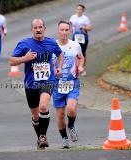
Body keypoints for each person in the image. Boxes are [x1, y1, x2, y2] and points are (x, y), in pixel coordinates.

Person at [9, 18, 63, 149]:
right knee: (35, 115)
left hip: (47, 81)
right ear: (32, 29)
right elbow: (11, 61)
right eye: (35, 28)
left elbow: (60, 54)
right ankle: (40, 138)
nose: (38, 30)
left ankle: (43, 136)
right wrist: (24, 58)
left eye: (40, 27)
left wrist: (59, 68)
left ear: (44, 28)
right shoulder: (24, 43)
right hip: (31, 83)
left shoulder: (51, 42)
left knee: (43, 107)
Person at [53, 21, 84, 149]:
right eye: (62, 30)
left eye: (66, 30)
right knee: (60, 115)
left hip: (72, 82)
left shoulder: (75, 45)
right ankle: (64, 139)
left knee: (71, 108)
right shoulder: (52, 45)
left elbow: (81, 57)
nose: (64, 33)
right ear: (58, 30)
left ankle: (71, 126)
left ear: (70, 31)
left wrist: (81, 66)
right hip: (57, 84)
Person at [70, 3, 91, 76]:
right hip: (75, 37)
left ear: (83, 10)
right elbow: (69, 26)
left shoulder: (85, 18)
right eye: (78, 9)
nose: (79, 11)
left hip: (83, 37)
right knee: (75, 53)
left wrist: (84, 27)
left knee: (82, 53)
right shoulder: (73, 17)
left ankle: (82, 68)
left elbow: (89, 28)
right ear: (76, 10)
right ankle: (75, 68)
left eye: (80, 9)